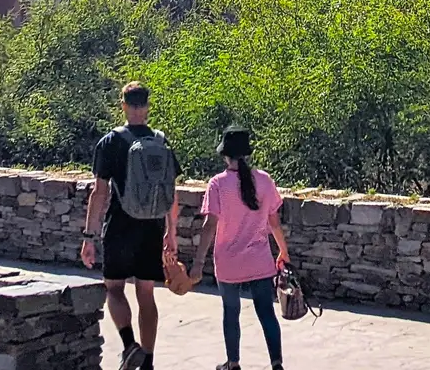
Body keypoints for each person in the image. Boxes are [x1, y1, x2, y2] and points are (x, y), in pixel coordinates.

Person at [83, 82, 182, 370]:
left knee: (113, 288)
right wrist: (170, 232)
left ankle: (129, 345)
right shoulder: (161, 141)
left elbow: (99, 192)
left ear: (123, 105)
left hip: (121, 224)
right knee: (146, 293)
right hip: (152, 226)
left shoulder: (111, 141)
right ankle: (148, 361)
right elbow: (171, 193)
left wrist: (89, 236)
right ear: (147, 106)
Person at [188, 126, 291, 370]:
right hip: (259, 260)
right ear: (247, 154)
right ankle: (276, 363)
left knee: (231, 312)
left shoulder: (217, 185)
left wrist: (198, 263)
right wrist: (283, 251)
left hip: (228, 262)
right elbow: (274, 221)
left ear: (225, 155)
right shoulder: (265, 181)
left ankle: (233, 363)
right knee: (266, 313)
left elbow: (209, 225)